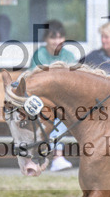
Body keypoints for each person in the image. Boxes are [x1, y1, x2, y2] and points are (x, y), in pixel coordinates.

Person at [29, 20, 78, 172]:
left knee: (62, 113)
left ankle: (57, 157)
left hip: (63, 101)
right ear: (46, 39)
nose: (57, 41)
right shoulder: (40, 55)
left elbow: (73, 81)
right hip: (43, 101)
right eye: (53, 38)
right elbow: (35, 82)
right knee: (54, 113)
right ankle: (57, 157)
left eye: (60, 37)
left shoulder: (68, 55)